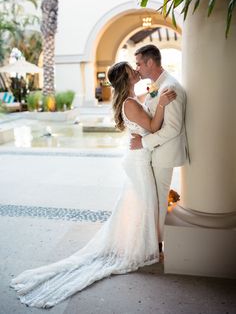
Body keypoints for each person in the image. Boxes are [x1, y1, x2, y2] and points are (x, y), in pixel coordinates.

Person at [10, 62, 176, 308]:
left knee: (138, 204)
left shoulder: (131, 98)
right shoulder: (129, 103)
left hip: (138, 159)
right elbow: (151, 126)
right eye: (132, 69)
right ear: (127, 77)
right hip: (139, 162)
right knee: (143, 204)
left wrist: (155, 94)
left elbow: (144, 101)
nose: (136, 70)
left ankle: (141, 244)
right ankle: (140, 247)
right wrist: (162, 103)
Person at [131, 44, 188, 253]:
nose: (137, 68)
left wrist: (143, 143)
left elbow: (173, 129)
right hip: (155, 152)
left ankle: (156, 245)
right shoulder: (158, 85)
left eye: (139, 64)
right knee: (153, 199)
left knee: (159, 200)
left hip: (164, 153)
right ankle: (152, 241)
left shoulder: (169, 88)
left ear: (150, 62)